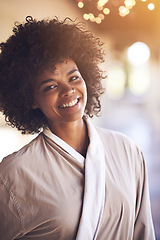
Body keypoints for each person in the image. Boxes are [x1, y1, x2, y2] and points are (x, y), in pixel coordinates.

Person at [0, 16, 155, 240]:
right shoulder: (13, 174)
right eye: (51, 86)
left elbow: (143, 231)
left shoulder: (127, 150)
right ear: (30, 99)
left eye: (73, 77)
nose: (68, 90)